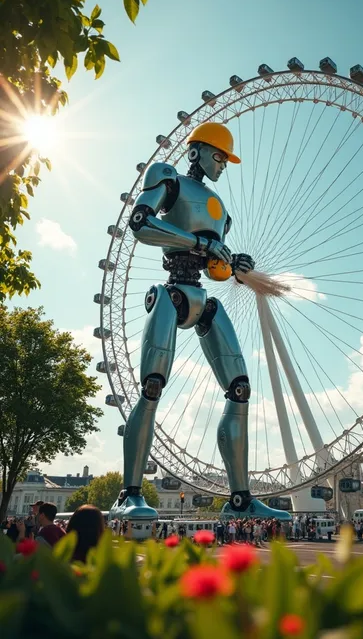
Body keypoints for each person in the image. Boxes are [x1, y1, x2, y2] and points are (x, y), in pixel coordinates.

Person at [109, 121, 290, 524]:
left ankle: (240, 497)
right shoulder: (168, 180)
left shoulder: (220, 209)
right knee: (152, 385)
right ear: (197, 152)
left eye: (226, 159)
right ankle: (130, 492)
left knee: (239, 388)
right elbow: (141, 224)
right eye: (218, 155)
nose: (223, 164)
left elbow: (215, 272)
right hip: (172, 292)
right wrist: (199, 243)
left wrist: (234, 266)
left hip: (201, 297)